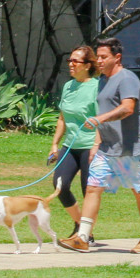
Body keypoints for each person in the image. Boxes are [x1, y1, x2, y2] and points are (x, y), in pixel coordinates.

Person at [59, 38, 140, 254]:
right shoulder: (103, 80)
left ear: (117, 57)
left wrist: (100, 119)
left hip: (128, 149)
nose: (99, 61)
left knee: (139, 191)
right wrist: (97, 142)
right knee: (93, 188)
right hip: (105, 149)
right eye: (98, 57)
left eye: (104, 57)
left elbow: (127, 108)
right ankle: (82, 237)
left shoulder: (127, 79)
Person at [47, 45, 100, 236]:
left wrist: (97, 145)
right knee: (60, 185)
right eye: (69, 60)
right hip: (69, 146)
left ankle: (85, 234)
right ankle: (80, 225)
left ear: (87, 65)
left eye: (75, 61)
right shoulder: (69, 86)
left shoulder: (96, 87)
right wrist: (55, 144)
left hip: (89, 146)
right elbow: (62, 118)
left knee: (89, 191)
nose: (70, 64)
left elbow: (103, 120)